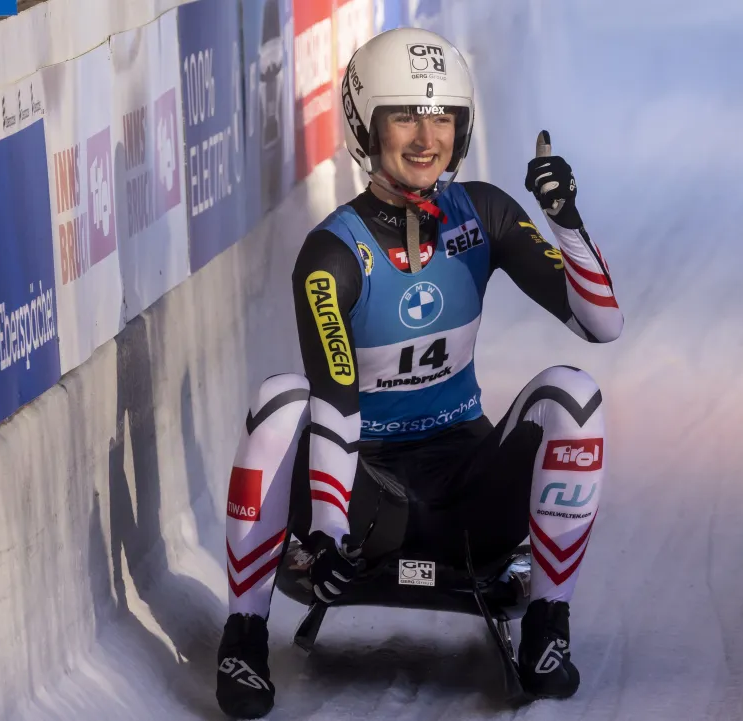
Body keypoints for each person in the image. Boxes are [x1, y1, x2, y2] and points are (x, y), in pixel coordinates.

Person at [216, 26, 623, 720]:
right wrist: (325, 530)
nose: (424, 136)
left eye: (440, 115)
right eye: (403, 114)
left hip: (468, 491)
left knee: (574, 396)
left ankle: (547, 630)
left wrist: (565, 222)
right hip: (366, 503)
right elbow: (335, 399)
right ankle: (243, 636)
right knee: (279, 399)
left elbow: (599, 324)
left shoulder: (484, 213)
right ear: (365, 126)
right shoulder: (330, 254)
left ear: (461, 127)